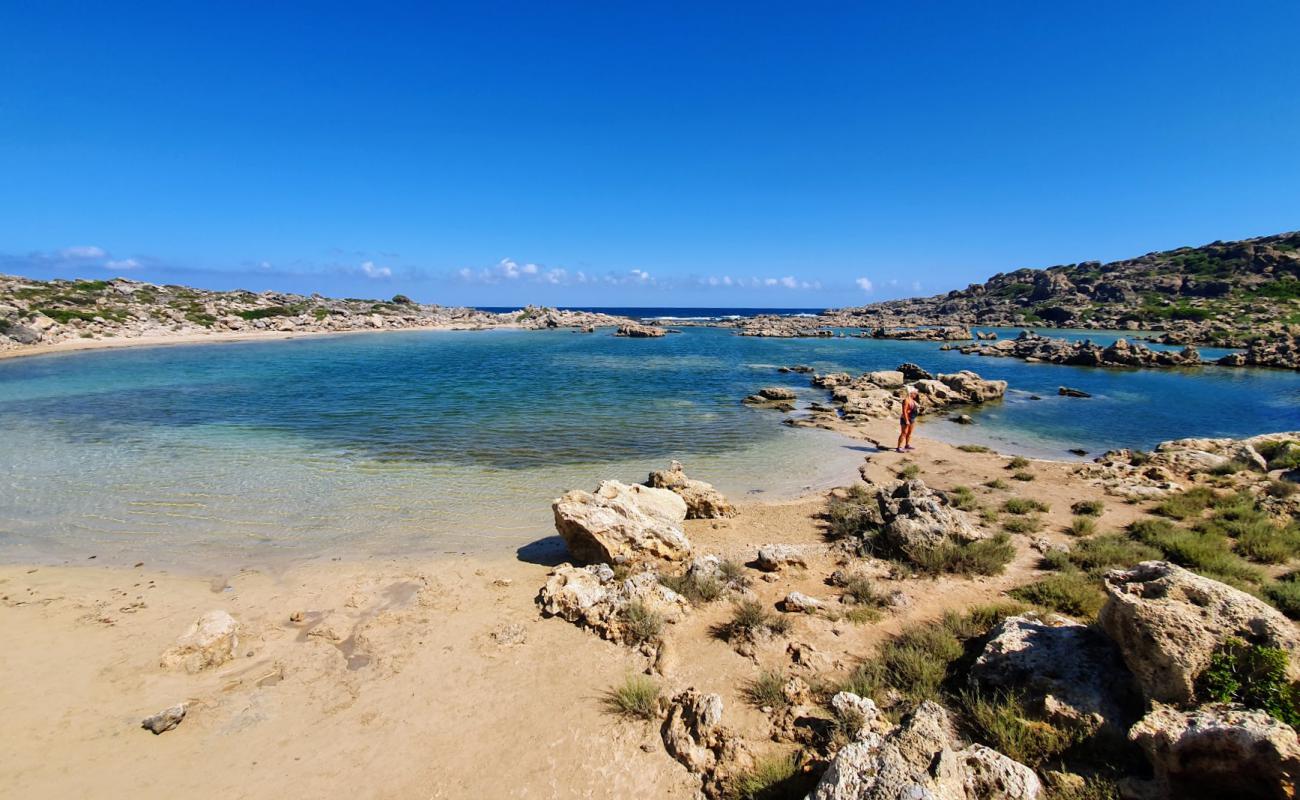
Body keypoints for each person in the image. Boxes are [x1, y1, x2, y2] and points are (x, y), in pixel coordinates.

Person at [896, 386, 919, 453]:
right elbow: (904, 411)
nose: (916, 394)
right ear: (910, 393)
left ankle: (907, 445)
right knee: (904, 433)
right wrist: (906, 420)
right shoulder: (906, 400)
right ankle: (899, 447)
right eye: (914, 393)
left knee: (909, 433)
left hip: (912, 419)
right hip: (905, 419)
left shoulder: (912, 400)